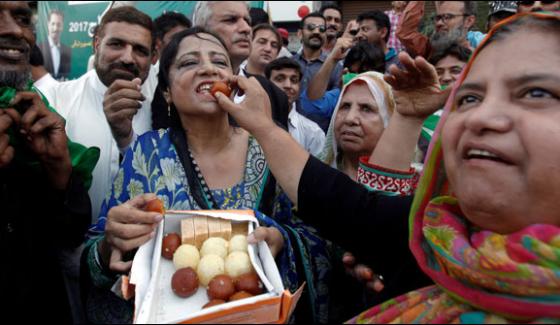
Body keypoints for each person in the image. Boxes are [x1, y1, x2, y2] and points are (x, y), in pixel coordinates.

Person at [216, 12, 560, 323]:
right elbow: (351, 208)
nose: (482, 116)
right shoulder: (433, 237)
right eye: (469, 98)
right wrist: (262, 125)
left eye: (536, 93)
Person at [82, 27, 334, 324]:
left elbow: (320, 237)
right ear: (167, 93)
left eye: (219, 62)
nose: (208, 69)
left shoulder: (271, 149)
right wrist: (110, 244)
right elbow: (98, 248)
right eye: (189, 63)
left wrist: (281, 239)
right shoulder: (146, 154)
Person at [0, 1, 97, 322]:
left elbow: (67, 234)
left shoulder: (32, 113)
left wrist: (59, 172)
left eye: (22, 18)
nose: (14, 31)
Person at [43, 6, 157, 222]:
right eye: (116, 44)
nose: (127, 58)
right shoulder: (55, 100)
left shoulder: (158, 115)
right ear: (96, 44)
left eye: (140, 50)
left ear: (153, 58)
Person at [192, 1, 290, 129]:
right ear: (202, 30)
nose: (246, 29)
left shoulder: (273, 94)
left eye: (247, 21)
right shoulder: (182, 89)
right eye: (231, 20)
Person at [301, 41, 386, 132]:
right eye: (353, 75)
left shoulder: (390, 99)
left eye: (365, 74)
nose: (359, 80)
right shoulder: (338, 95)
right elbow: (310, 104)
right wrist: (332, 59)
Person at [265, 57, 325, 157]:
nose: (288, 85)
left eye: (294, 80)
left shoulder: (313, 133)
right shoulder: (249, 124)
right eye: (280, 79)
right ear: (266, 84)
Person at [397, 1, 484, 58]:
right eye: (438, 18)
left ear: (469, 21)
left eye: (447, 17)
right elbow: (405, 32)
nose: (439, 23)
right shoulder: (429, 49)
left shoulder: (480, 56)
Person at [151, 11, 191, 130]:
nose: (183, 43)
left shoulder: (197, 75)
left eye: (187, 37)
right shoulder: (145, 80)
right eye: (177, 38)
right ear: (158, 43)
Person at [293, 12, 344, 93]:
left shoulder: (335, 67)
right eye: (311, 27)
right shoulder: (289, 62)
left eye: (322, 29)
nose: (316, 32)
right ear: (300, 34)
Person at [38, 10, 72, 80]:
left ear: (62, 26)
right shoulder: (38, 49)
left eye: (59, 24)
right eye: (53, 24)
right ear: (48, 25)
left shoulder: (67, 51)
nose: (56, 28)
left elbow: (66, 76)